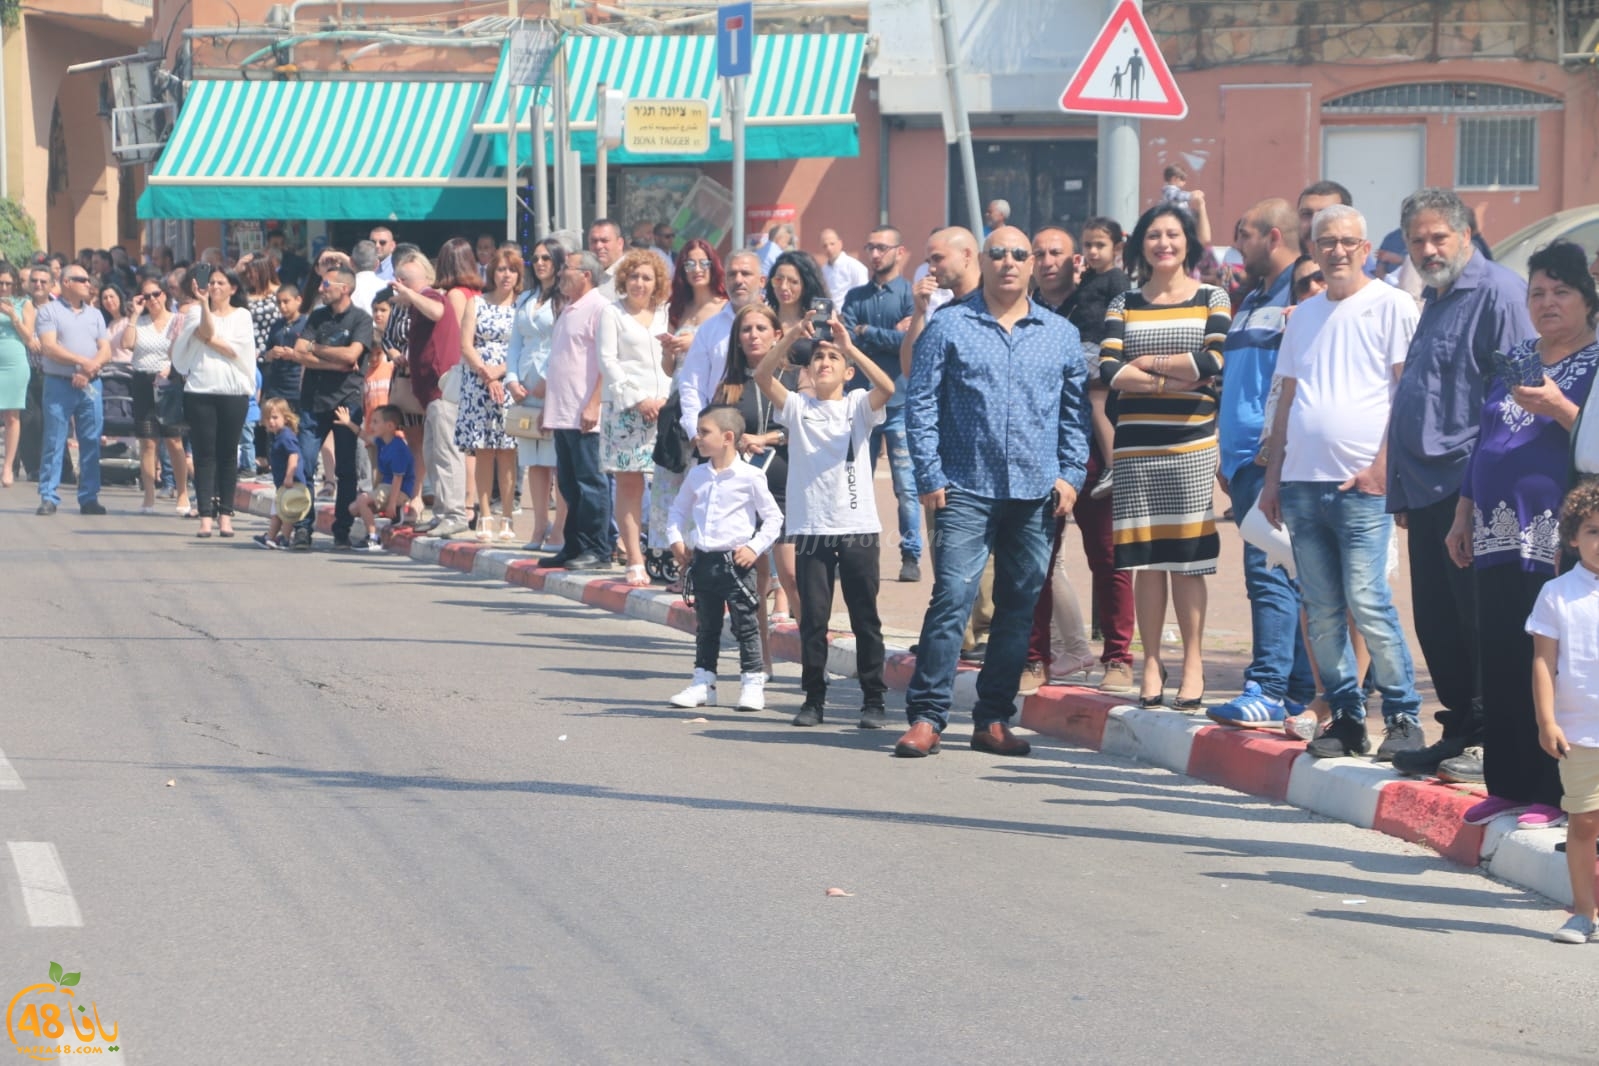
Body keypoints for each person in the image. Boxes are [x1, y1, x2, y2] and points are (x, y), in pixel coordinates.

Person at [898, 225, 1092, 758]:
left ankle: (993, 719)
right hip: (963, 486)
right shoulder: (950, 325)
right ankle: (928, 716)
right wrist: (929, 474)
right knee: (952, 598)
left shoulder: (1059, 333)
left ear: (1032, 264)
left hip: (1035, 494)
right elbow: (921, 403)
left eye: (1019, 254)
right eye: (998, 253)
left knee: (1019, 606)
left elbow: (1075, 416)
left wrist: (1070, 474)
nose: (1009, 262)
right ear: (982, 261)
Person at [1258, 204, 1425, 760]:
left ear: (1367, 246)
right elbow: (1286, 401)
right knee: (1322, 607)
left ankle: (1401, 716)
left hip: (1361, 485)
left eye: (1347, 241)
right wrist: (1273, 478)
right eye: (1326, 242)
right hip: (1303, 484)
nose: (1337, 251)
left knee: (1369, 601)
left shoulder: (1394, 305)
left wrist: (1383, 465)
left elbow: (1405, 396)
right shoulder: (1302, 315)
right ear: (1313, 248)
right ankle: (1346, 717)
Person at [1442, 241, 1599, 823]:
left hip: (1554, 533)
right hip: (1493, 529)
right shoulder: (1518, 356)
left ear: (1587, 299)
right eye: (1537, 292)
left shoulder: (1597, 363)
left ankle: (1553, 792)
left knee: (1554, 661)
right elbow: (1484, 439)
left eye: (1562, 291)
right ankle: (1506, 781)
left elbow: (1593, 439)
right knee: (1502, 654)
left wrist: (1561, 406)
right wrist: (1463, 512)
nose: (1548, 302)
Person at [1388, 188, 1536, 781]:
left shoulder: (1499, 293)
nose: (1427, 249)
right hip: (1424, 490)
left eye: (1438, 238)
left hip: (1471, 490)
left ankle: (1488, 741)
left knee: (1479, 622)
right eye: (1417, 241)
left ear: (1465, 236)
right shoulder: (1437, 296)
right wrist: (1402, 490)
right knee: (1437, 621)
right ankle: (1459, 733)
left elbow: (1519, 397)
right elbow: (1423, 398)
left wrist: (1472, 500)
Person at [1100, 204, 1231, 710]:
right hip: (1136, 445)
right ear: (1141, 244)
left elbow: (1214, 359)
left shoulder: (1210, 296)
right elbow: (1110, 367)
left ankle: (1193, 663)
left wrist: (1145, 363)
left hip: (1192, 443)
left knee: (1189, 559)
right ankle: (1150, 661)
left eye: (1173, 234)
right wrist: (1172, 376)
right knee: (1146, 559)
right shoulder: (1124, 302)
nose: (1164, 243)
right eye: (1154, 235)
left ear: (1187, 242)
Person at [1208, 199, 1320, 728]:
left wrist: (1267, 451)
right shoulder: (1250, 297)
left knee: (1270, 571)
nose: (1236, 247)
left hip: (1272, 456)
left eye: (1243, 235)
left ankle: (1269, 687)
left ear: (1273, 237)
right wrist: (1225, 452)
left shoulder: (1298, 295)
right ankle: (1295, 686)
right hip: (1242, 460)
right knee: (1275, 569)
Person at [754, 314, 895, 727]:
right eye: (817, 357)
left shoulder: (857, 406)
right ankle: (813, 699)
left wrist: (850, 346)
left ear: (848, 371)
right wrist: (792, 339)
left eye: (832, 357)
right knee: (813, 619)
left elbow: (886, 387)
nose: (824, 362)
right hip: (812, 530)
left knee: (864, 618)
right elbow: (763, 375)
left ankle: (873, 699)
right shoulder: (797, 408)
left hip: (858, 529)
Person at [666, 405, 784, 712]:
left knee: (746, 625)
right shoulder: (697, 475)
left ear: (728, 437)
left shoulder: (751, 476)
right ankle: (703, 683)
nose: (698, 439)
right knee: (706, 627)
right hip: (703, 562)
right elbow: (678, 511)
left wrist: (754, 548)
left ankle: (752, 683)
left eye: (705, 433)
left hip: (737, 564)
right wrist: (677, 541)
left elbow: (773, 518)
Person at [1528, 481, 1599, 943]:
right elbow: (1542, 662)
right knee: (1585, 822)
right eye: (1594, 530)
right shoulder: (1556, 593)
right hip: (1580, 733)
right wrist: (1546, 720)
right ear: (1573, 538)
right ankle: (1583, 913)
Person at [842, 227, 921, 583]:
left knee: (905, 486)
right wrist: (872, 337)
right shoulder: (855, 296)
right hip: (861, 403)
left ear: (899, 251)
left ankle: (911, 554)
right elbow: (842, 340)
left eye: (881, 247)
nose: (874, 254)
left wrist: (865, 333)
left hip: (901, 403)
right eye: (869, 246)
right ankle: (854, 552)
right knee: (855, 481)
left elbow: (909, 340)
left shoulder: (909, 296)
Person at [597, 249, 672, 585]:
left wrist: (664, 399)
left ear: (657, 282)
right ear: (624, 279)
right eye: (634, 276)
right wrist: (639, 399)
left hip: (665, 407)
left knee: (667, 484)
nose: (639, 283)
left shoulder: (667, 314)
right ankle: (634, 558)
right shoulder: (612, 313)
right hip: (626, 410)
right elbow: (608, 361)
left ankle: (666, 555)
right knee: (630, 484)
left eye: (647, 277)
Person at [653, 239, 729, 570]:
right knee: (672, 480)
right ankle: (673, 556)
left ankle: (703, 558)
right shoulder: (678, 308)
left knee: (702, 480)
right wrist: (670, 350)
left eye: (703, 263)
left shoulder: (724, 307)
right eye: (689, 264)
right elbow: (668, 369)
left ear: (714, 267)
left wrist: (696, 341)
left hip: (709, 399)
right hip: (677, 400)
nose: (697, 270)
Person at [288, 264, 375, 550]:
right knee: (306, 464)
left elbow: (353, 355)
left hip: (346, 402)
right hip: (313, 401)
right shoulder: (317, 316)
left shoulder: (361, 320)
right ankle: (303, 528)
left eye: (327, 285)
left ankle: (342, 529)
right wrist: (330, 360)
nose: (322, 289)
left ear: (345, 288)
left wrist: (316, 350)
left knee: (347, 469)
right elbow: (300, 351)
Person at [398, 239, 476, 541]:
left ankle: (455, 514)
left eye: (404, 281)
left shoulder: (432, 295)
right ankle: (444, 513)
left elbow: (437, 311)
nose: (400, 285)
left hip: (443, 391)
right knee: (433, 455)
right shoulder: (426, 298)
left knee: (446, 455)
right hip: (431, 393)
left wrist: (410, 295)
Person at [542, 251, 613, 570]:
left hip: (585, 413)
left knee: (590, 483)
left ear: (586, 274)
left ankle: (598, 549)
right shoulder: (569, 308)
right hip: (563, 412)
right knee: (569, 485)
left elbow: (605, 362)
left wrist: (594, 403)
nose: (559, 275)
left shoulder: (599, 307)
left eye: (566, 269)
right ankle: (574, 544)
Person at [173, 265, 257, 538]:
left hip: (233, 392)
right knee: (204, 455)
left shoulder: (242, 316)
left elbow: (234, 349)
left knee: (228, 455)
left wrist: (208, 339)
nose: (216, 288)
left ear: (233, 288)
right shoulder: (196, 312)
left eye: (221, 283)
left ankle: (226, 516)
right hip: (200, 390)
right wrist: (202, 306)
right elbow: (203, 331)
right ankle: (205, 516)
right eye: (211, 283)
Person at [34, 261, 111, 516]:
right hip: (59, 382)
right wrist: (82, 363)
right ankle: (48, 495)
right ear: (66, 283)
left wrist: (89, 370)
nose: (88, 284)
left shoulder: (95, 314)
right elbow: (49, 347)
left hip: (91, 384)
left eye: (89, 280)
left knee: (91, 440)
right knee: (55, 440)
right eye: (82, 280)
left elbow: (106, 348)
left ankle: (89, 496)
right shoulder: (49, 312)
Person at [456, 247, 522, 543]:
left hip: (510, 381)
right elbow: (466, 345)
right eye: (501, 269)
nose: (506, 275)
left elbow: (526, 349)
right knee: (483, 450)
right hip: (478, 382)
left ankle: (507, 515)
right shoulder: (476, 303)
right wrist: (486, 374)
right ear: (492, 273)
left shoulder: (523, 306)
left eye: (512, 270)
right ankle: (484, 514)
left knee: (508, 452)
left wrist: (502, 372)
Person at [506, 239, 567, 553]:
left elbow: (565, 345)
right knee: (535, 462)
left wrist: (547, 382)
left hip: (554, 386)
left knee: (558, 460)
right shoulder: (526, 297)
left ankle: (560, 528)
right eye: (536, 258)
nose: (540, 263)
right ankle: (539, 524)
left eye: (547, 258)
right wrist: (512, 379)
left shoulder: (565, 300)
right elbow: (515, 342)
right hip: (524, 388)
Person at [677, 250, 764, 442]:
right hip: (719, 439)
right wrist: (696, 432)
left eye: (746, 273)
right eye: (732, 274)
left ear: (762, 281)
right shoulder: (709, 330)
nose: (738, 280)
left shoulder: (774, 326)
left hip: (767, 435)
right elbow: (692, 384)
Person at [123, 277, 189, 515]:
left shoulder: (176, 320)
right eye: (146, 296)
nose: (152, 300)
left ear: (165, 295)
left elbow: (183, 349)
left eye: (156, 294)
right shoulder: (139, 322)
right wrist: (133, 315)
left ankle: (182, 492)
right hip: (143, 380)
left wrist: (171, 368)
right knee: (148, 441)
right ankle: (149, 494)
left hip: (168, 381)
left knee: (174, 440)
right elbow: (127, 344)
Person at [338, 402, 413, 551]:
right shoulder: (382, 442)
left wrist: (391, 504)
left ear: (390, 426)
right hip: (385, 488)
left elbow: (398, 479)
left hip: (399, 490)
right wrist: (348, 423)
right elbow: (364, 435)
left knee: (362, 499)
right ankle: (395, 514)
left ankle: (373, 538)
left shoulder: (398, 448)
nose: (371, 425)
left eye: (375, 422)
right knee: (353, 509)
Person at [255, 397, 304, 550]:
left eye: (275, 417)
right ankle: (283, 537)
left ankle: (274, 537)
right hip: (284, 484)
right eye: (268, 418)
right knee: (283, 511)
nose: (271, 421)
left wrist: (289, 476)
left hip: (290, 482)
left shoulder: (286, 436)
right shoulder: (279, 436)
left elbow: (294, 456)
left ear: (285, 417)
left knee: (282, 511)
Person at [0, 262, 29, 487]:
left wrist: (13, 316)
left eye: (8, 283)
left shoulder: (23, 303)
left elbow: (30, 337)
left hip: (14, 362)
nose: (4, 288)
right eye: (0, 283)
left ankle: (8, 466)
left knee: (12, 416)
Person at [1295, 181, 1352, 258]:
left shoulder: (1367, 269)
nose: (1314, 223)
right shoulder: (1283, 268)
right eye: (1306, 214)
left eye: (1325, 214)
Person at [819, 228, 868, 306]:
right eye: (825, 246)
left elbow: (864, 293)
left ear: (840, 243)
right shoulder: (823, 271)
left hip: (849, 314)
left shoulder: (854, 266)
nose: (829, 248)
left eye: (832, 244)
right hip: (829, 315)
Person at [588, 219, 626, 293]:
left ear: (620, 243)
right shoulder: (586, 276)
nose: (598, 246)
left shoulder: (632, 274)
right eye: (594, 241)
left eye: (604, 240)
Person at [97, 284, 132, 364]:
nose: (109, 300)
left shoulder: (130, 320)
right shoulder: (105, 324)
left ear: (119, 297)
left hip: (128, 368)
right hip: (110, 369)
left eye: (111, 296)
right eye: (105, 298)